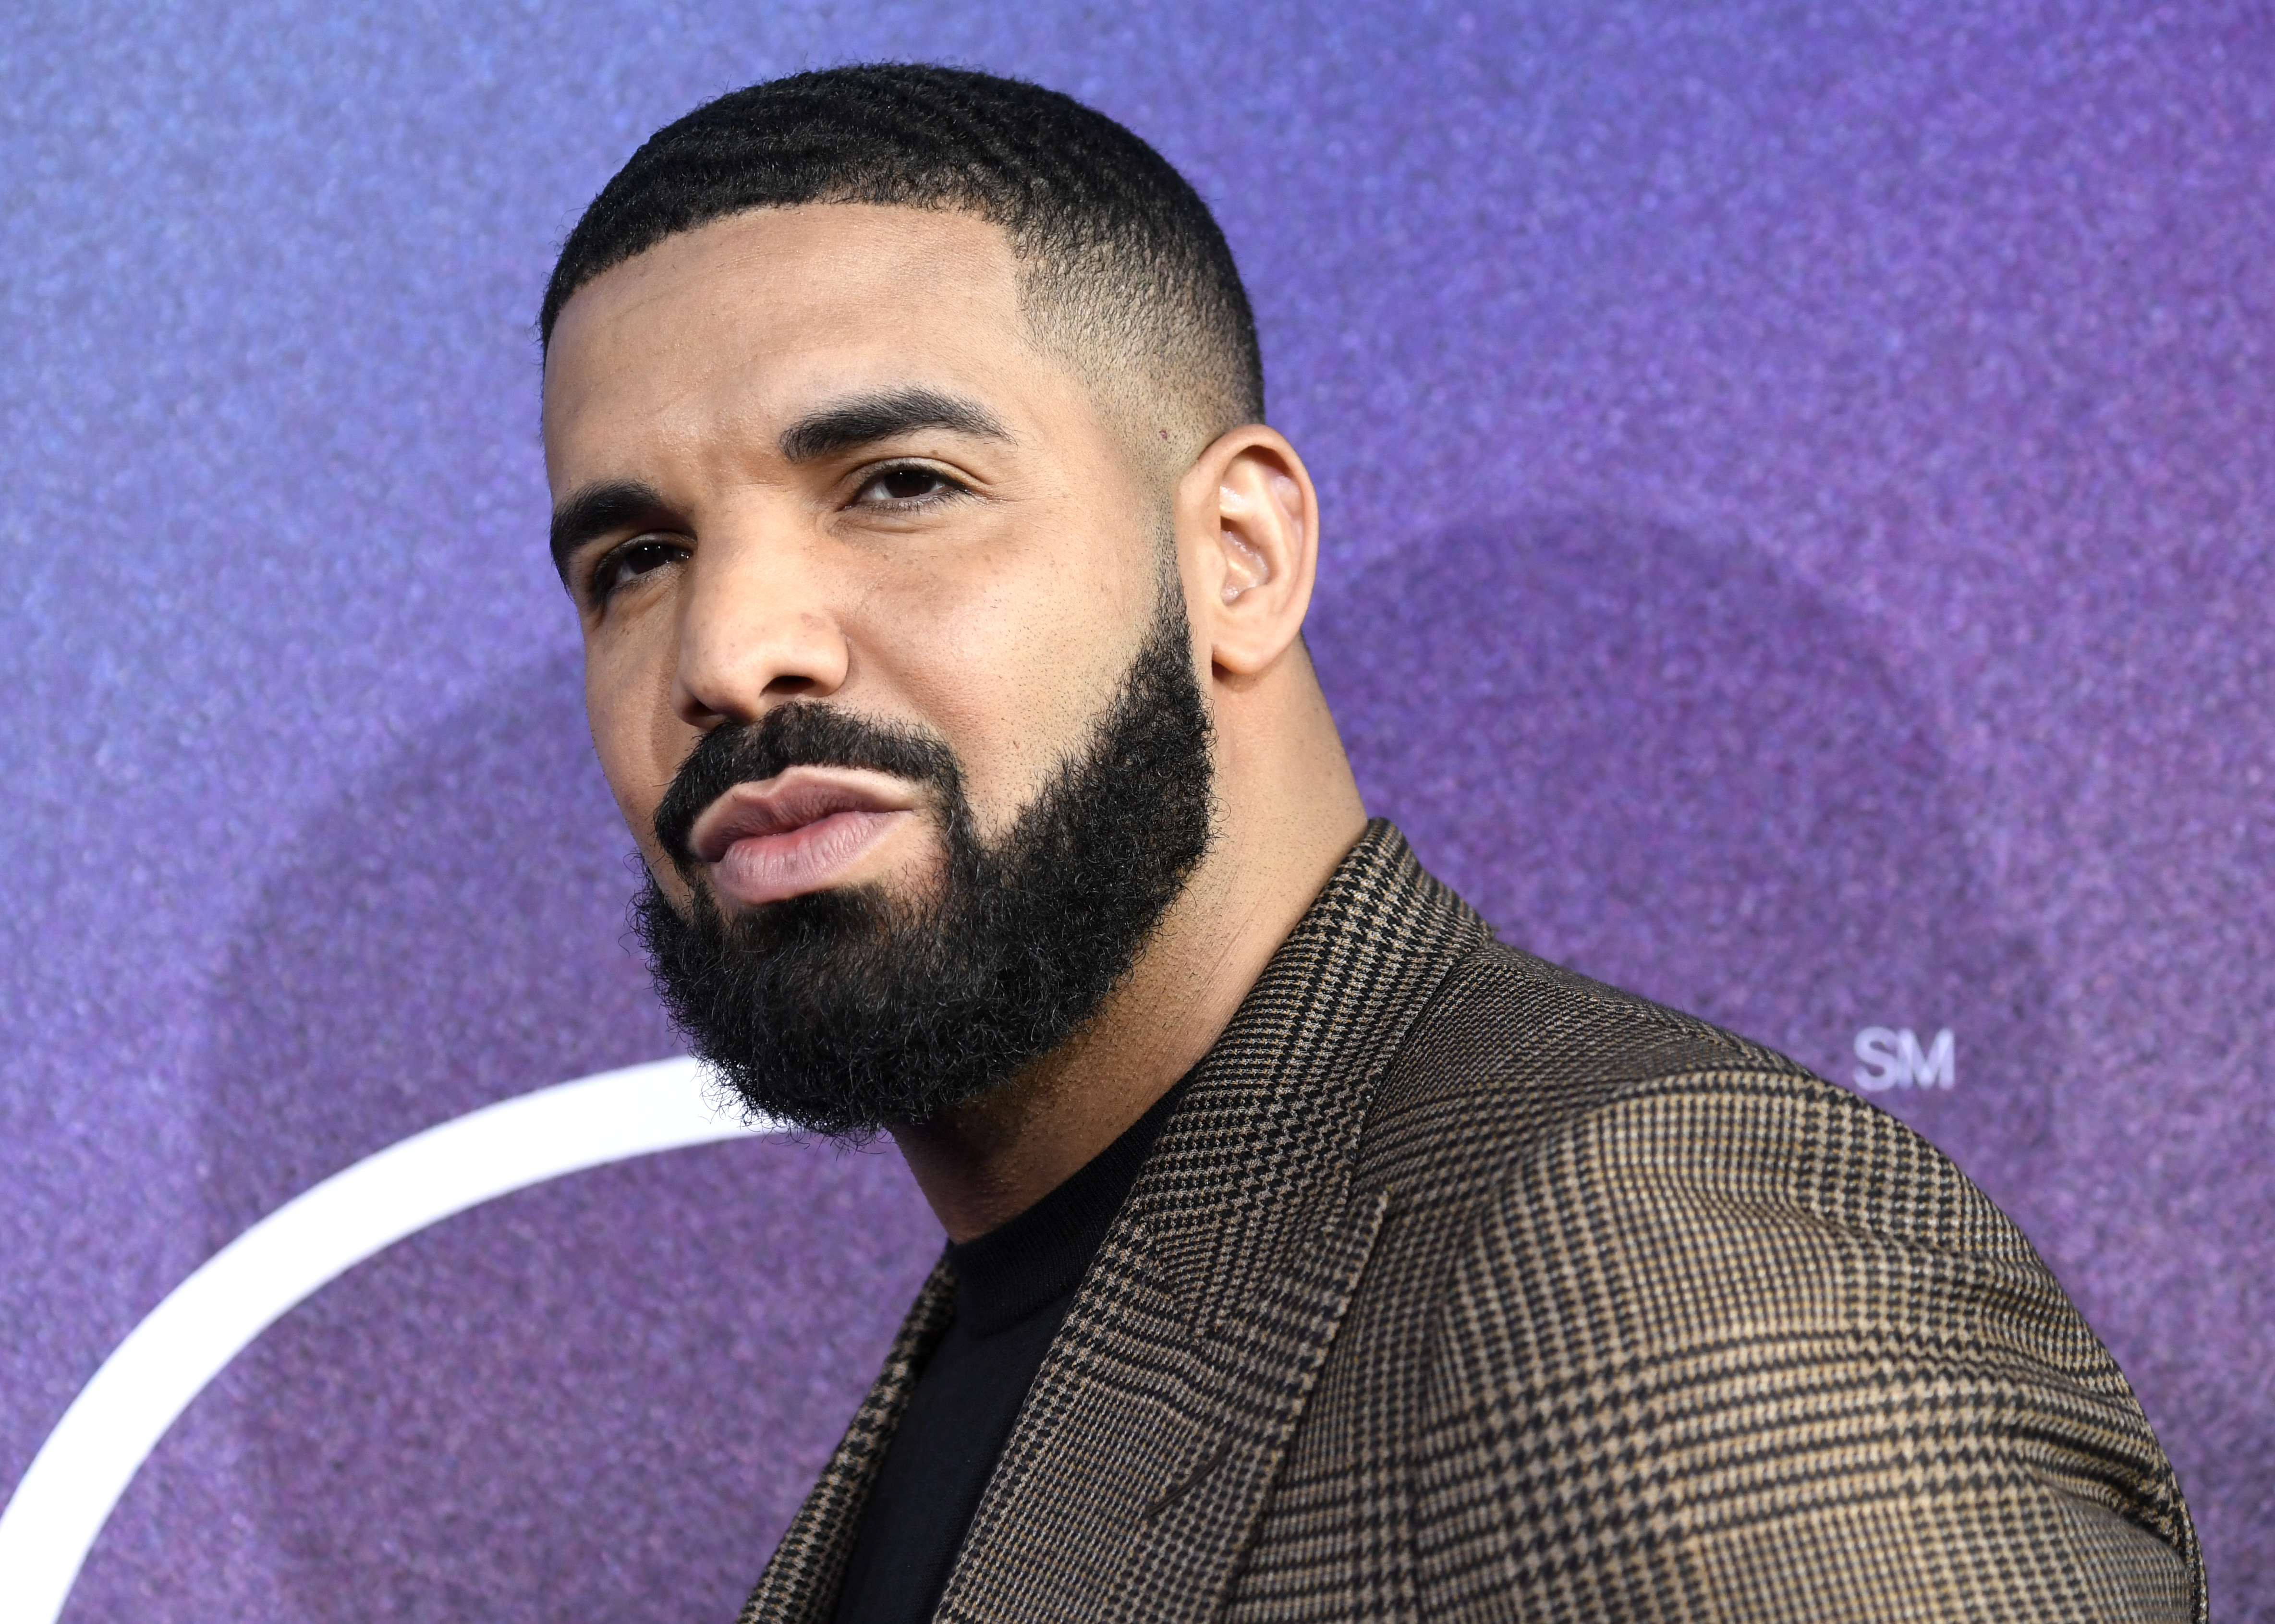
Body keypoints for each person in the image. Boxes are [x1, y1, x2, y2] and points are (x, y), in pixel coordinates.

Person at [536, 64, 2203, 1624]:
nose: (726, 654)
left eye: (898, 485)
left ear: (1239, 558)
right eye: (635, 561)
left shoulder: (1652, 1268)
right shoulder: (1018, 1326)